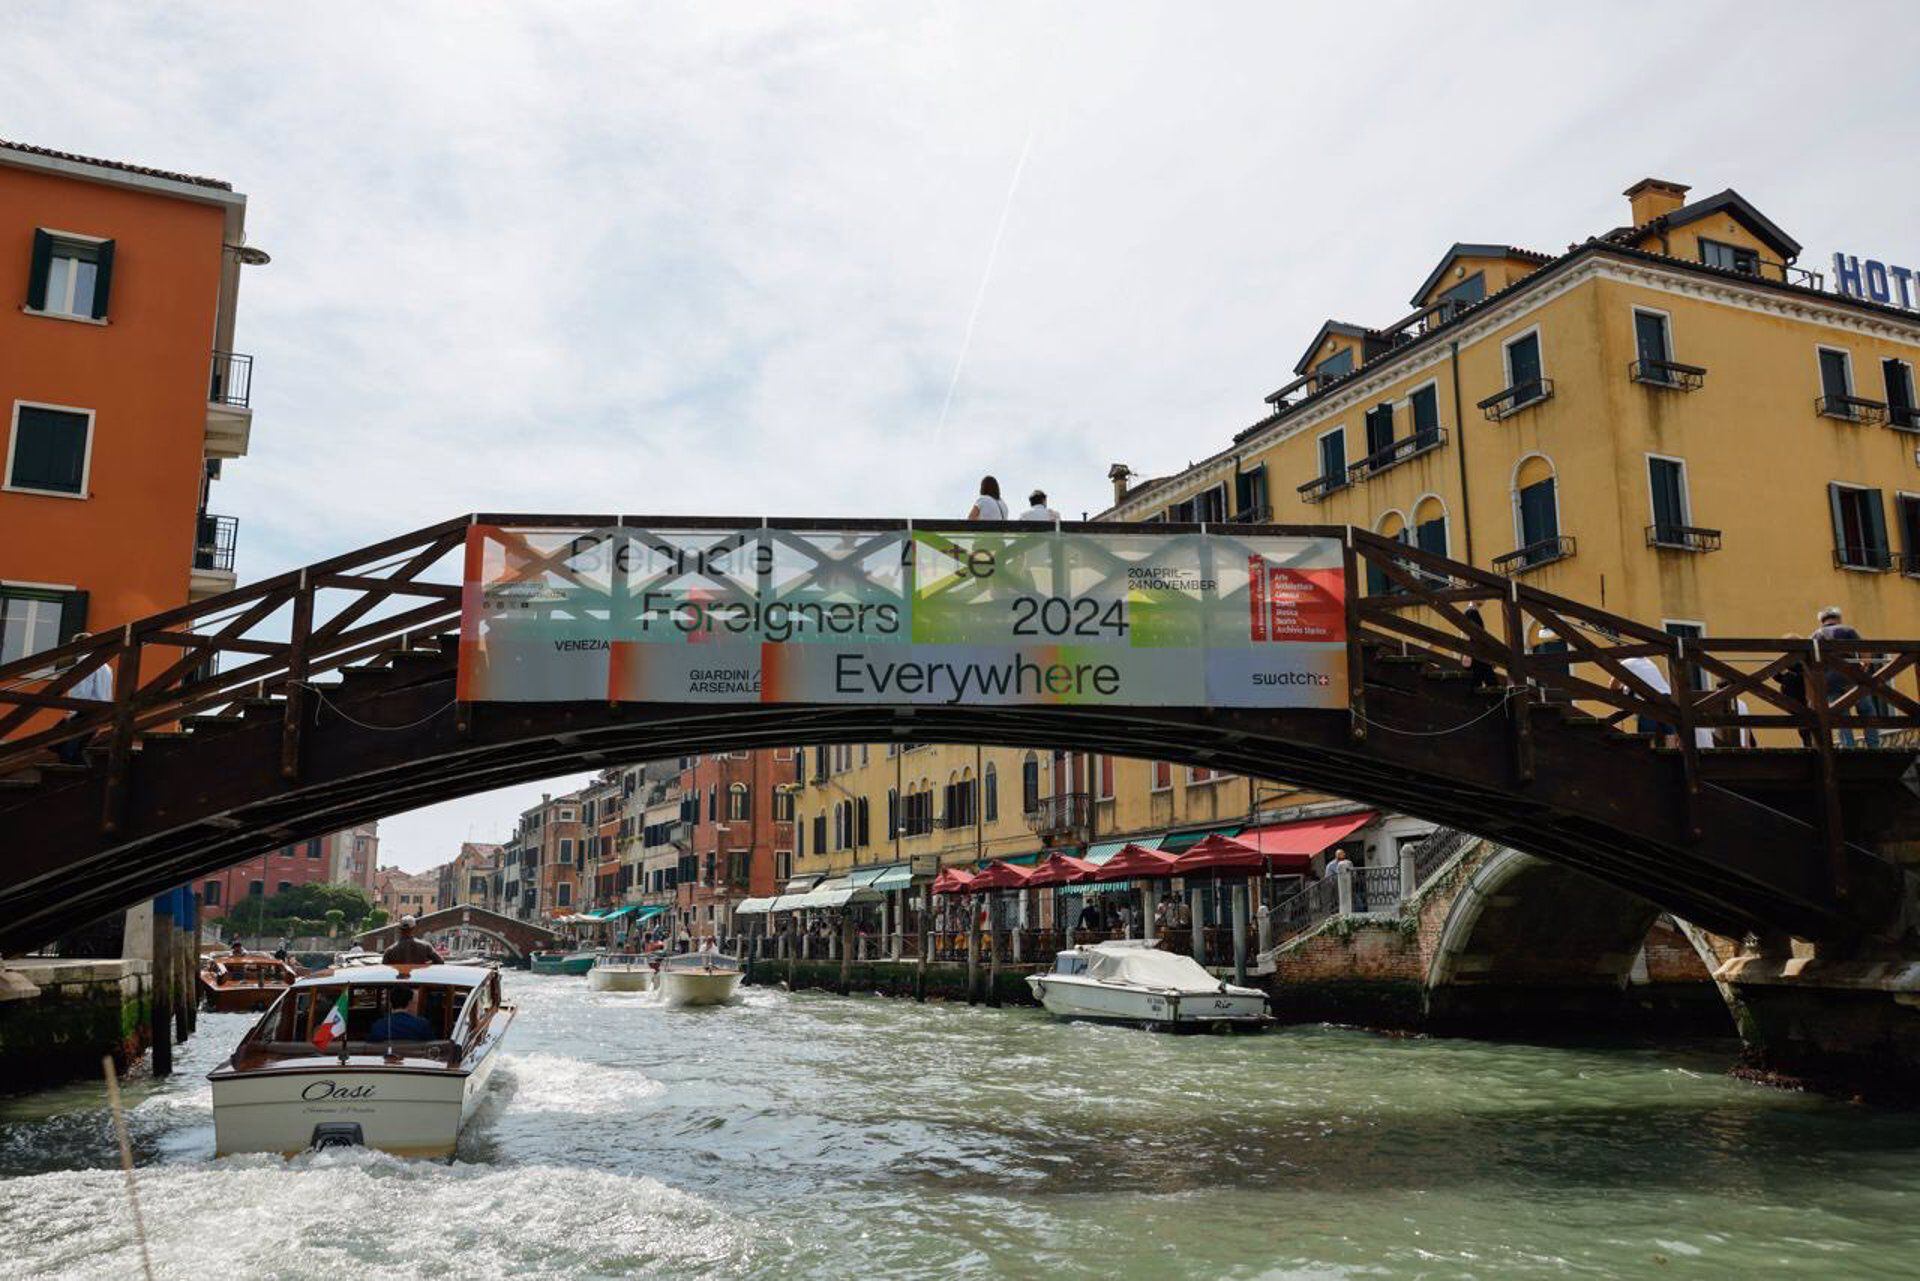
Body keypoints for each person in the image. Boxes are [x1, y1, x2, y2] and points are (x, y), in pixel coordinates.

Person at [1813, 606, 1881, 749]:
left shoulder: (1815, 635)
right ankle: (1873, 746)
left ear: (1822, 621)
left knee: (1840, 715)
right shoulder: (1847, 630)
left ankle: (1848, 747)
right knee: (1866, 710)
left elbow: (1811, 661)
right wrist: (1864, 666)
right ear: (1838, 619)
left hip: (1828, 680)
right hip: (1851, 676)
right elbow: (1864, 650)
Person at [54, 634, 112, 766]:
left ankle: (70, 778)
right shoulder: (106, 666)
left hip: (84, 711)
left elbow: (82, 690)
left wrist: (72, 712)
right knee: (76, 748)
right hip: (99, 711)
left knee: (67, 750)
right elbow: (107, 693)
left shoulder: (84, 661)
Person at [1771, 635, 1818, 748]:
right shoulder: (1792, 660)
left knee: (1806, 727)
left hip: (1800, 696)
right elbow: (1778, 676)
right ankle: (1809, 745)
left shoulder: (1799, 660)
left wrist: (1783, 671)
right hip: (1795, 697)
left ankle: (1810, 745)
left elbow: (1781, 676)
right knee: (1804, 727)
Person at [368, 985, 436, 1042]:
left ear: (390, 1003)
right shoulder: (422, 1024)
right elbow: (432, 1046)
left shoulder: (378, 1025)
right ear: (409, 1003)